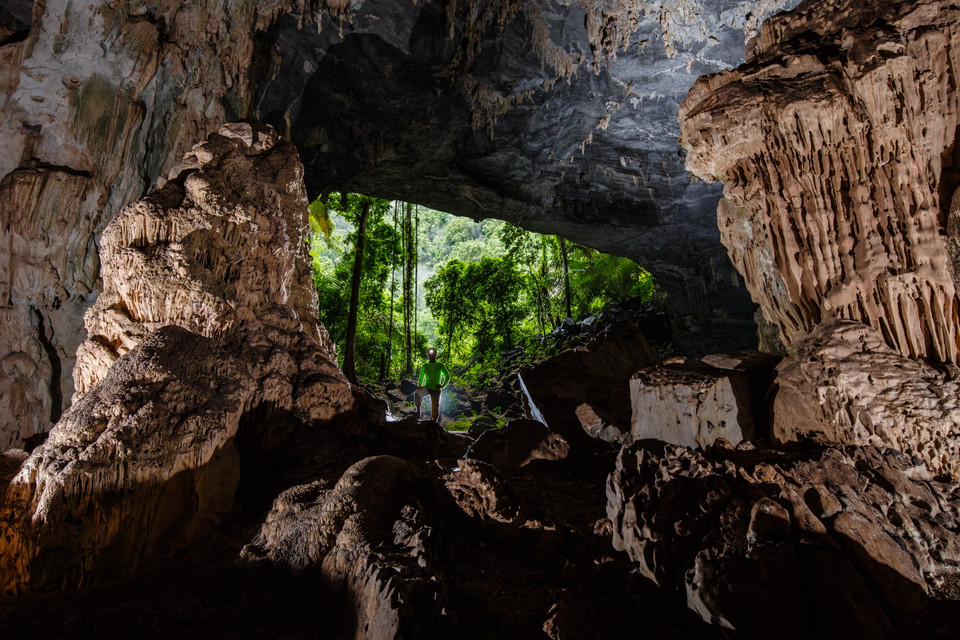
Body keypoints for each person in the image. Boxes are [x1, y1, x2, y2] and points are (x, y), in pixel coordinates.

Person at [415, 348, 450, 421]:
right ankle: (418, 413)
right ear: (427, 355)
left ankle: (434, 421)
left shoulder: (440, 365)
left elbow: (447, 376)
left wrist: (442, 385)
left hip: (436, 389)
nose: (431, 355)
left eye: (433, 354)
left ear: (436, 355)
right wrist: (420, 385)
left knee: (435, 406)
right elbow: (421, 376)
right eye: (429, 354)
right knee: (417, 394)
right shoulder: (425, 365)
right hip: (427, 387)